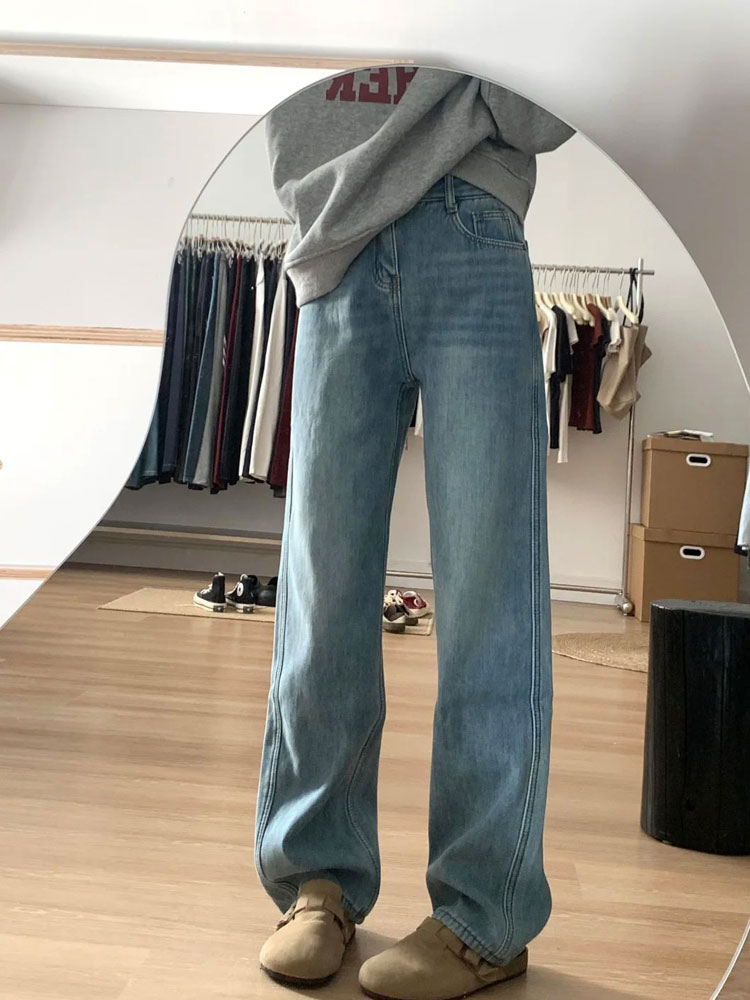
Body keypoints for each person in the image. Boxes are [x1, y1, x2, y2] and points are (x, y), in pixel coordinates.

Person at [252, 65, 574, 1000]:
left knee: (489, 594)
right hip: (334, 233)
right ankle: (317, 877)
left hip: (472, 213)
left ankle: (483, 916)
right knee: (322, 588)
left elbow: (551, 88)